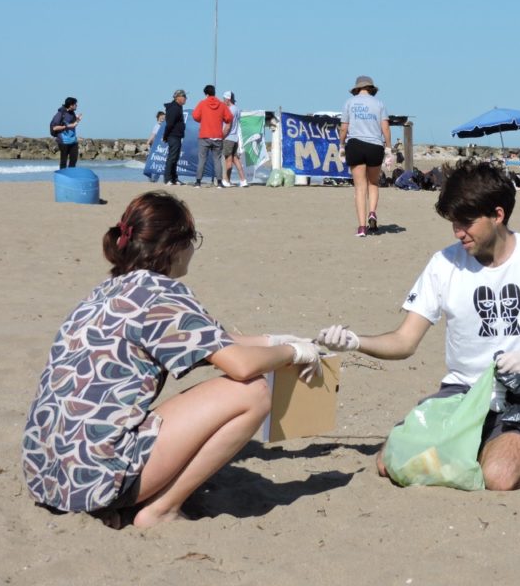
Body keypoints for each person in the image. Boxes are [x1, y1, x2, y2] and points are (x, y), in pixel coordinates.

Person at [22, 191, 323, 528]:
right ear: (175, 246)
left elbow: (211, 341)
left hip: (46, 475)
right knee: (252, 392)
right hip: (95, 480)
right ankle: (162, 510)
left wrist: (275, 341)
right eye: (193, 240)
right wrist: (294, 353)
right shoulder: (162, 293)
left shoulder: (108, 291)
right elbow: (241, 364)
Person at [317, 159, 520, 490]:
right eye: (454, 223)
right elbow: (404, 340)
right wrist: (356, 341)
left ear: (498, 215)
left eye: (466, 223)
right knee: (390, 462)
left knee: (499, 477)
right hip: (462, 392)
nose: (458, 233)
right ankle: (470, 438)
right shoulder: (443, 263)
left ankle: (511, 445)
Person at [338, 76, 392, 237]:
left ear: (357, 89)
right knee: (373, 183)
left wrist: (341, 145)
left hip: (355, 145)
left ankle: (362, 227)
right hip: (375, 146)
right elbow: (386, 128)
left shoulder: (349, 103)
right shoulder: (379, 104)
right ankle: (372, 212)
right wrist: (388, 148)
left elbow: (344, 128)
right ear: (371, 89)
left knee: (360, 187)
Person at [191, 85, 232, 189]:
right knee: (217, 160)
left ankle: (198, 182)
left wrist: (203, 119)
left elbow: (195, 116)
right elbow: (229, 118)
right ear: (214, 93)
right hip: (217, 136)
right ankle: (219, 183)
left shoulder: (202, 103)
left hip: (204, 135)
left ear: (206, 94)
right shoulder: (222, 105)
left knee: (202, 159)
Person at [221, 90, 248, 187]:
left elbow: (228, 126)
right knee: (235, 159)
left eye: (224, 99)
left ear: (228, 99)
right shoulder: (237, 109)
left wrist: (222, 136)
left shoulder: (230, 110)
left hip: (228, 137)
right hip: (235, 138)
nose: (223, 101)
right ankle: (243, 180)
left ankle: (226, 180)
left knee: (228, 160)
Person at [162, 90, 187, 186]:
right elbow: (169, 124)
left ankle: (174, 178)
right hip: (173, 136)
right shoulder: (174, 108)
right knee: (172, 157)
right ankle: (167, 179)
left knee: (175, 157)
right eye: (183, 96)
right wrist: (165, 136)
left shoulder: (178, 107)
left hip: (177, 135)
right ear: (177, 98)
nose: (185, 98)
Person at [49, 97, 82, 169]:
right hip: (63, 141)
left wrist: (77, 120)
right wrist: (67, 126)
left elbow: (73, 125)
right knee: (63, 161)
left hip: (73, 141)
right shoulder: (60, 114)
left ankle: (71, 174)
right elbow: (54, 128)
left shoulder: (72, 113)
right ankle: (62, 175)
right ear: (71, 105)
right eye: (75, 104)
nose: (76, 105)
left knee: (73, 161)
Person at [145, 111, 166, 183]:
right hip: (156, 147)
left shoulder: (165, 125)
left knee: (162, 163)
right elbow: (153, 134)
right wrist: (148, 142)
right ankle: (152, 179)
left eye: (164, 117)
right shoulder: (157, 126)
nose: (163, 118)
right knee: (157, 162)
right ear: (158, 118)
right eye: (161, 117)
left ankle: (162, 179)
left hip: (164, 147)